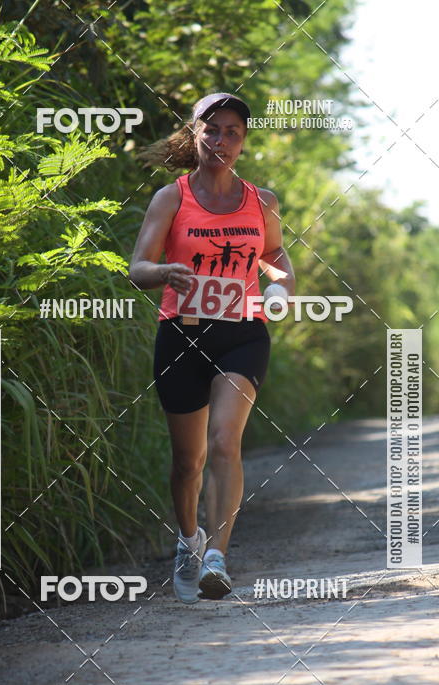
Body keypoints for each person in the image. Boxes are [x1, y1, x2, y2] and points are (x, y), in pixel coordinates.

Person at [129, 92, 296, 603]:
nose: (222, 140)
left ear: (243, 143)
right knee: (188, 461)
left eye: (233, 133)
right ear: (195, 132)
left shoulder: (260, 201)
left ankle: (218, 557)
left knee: (225, 440)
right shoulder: (171, 199)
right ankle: (189, 540)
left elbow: (276, 257)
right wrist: (164, 271)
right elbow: (138, 268)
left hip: (241, 334)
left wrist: (278, 287)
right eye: (213, 129)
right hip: (181, 334)